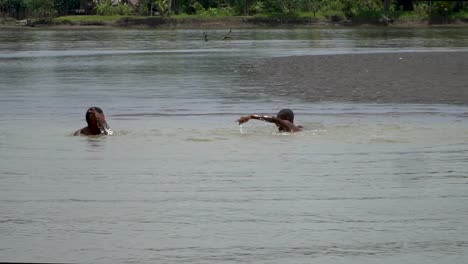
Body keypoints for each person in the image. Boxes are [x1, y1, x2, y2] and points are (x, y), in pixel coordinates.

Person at [237, 108, 303, 132]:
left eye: (280, 119)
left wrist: (251, 116)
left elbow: (274, 119)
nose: (277, 124)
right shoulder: (296, 127)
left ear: (287, 119)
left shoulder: (287, 123)